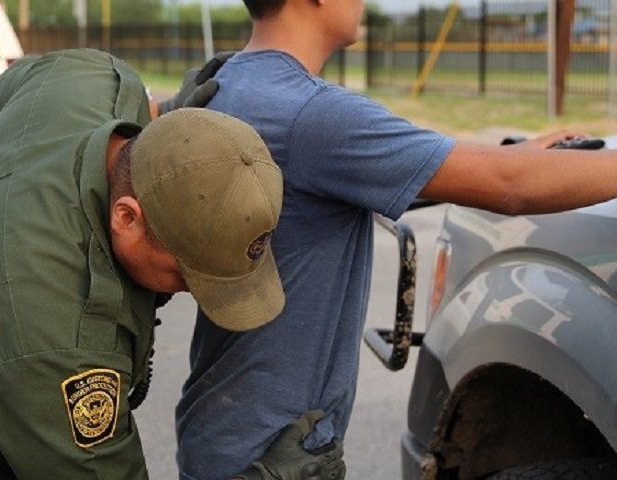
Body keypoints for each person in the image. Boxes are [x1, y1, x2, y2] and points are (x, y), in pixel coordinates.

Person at [166, 1, 617, 479]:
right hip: (272, 452)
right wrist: (511, 165)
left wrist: (516, 155)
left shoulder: (226, 83)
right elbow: (510, 186)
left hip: (221, 428)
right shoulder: (314, 114)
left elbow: (391, 166)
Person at [0, 48, 286, 479]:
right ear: (127, 218)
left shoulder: (94, 77)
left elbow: (5, 89)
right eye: (186, 275)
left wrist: (173, 139)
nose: (192, 294)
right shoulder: (63, 339)